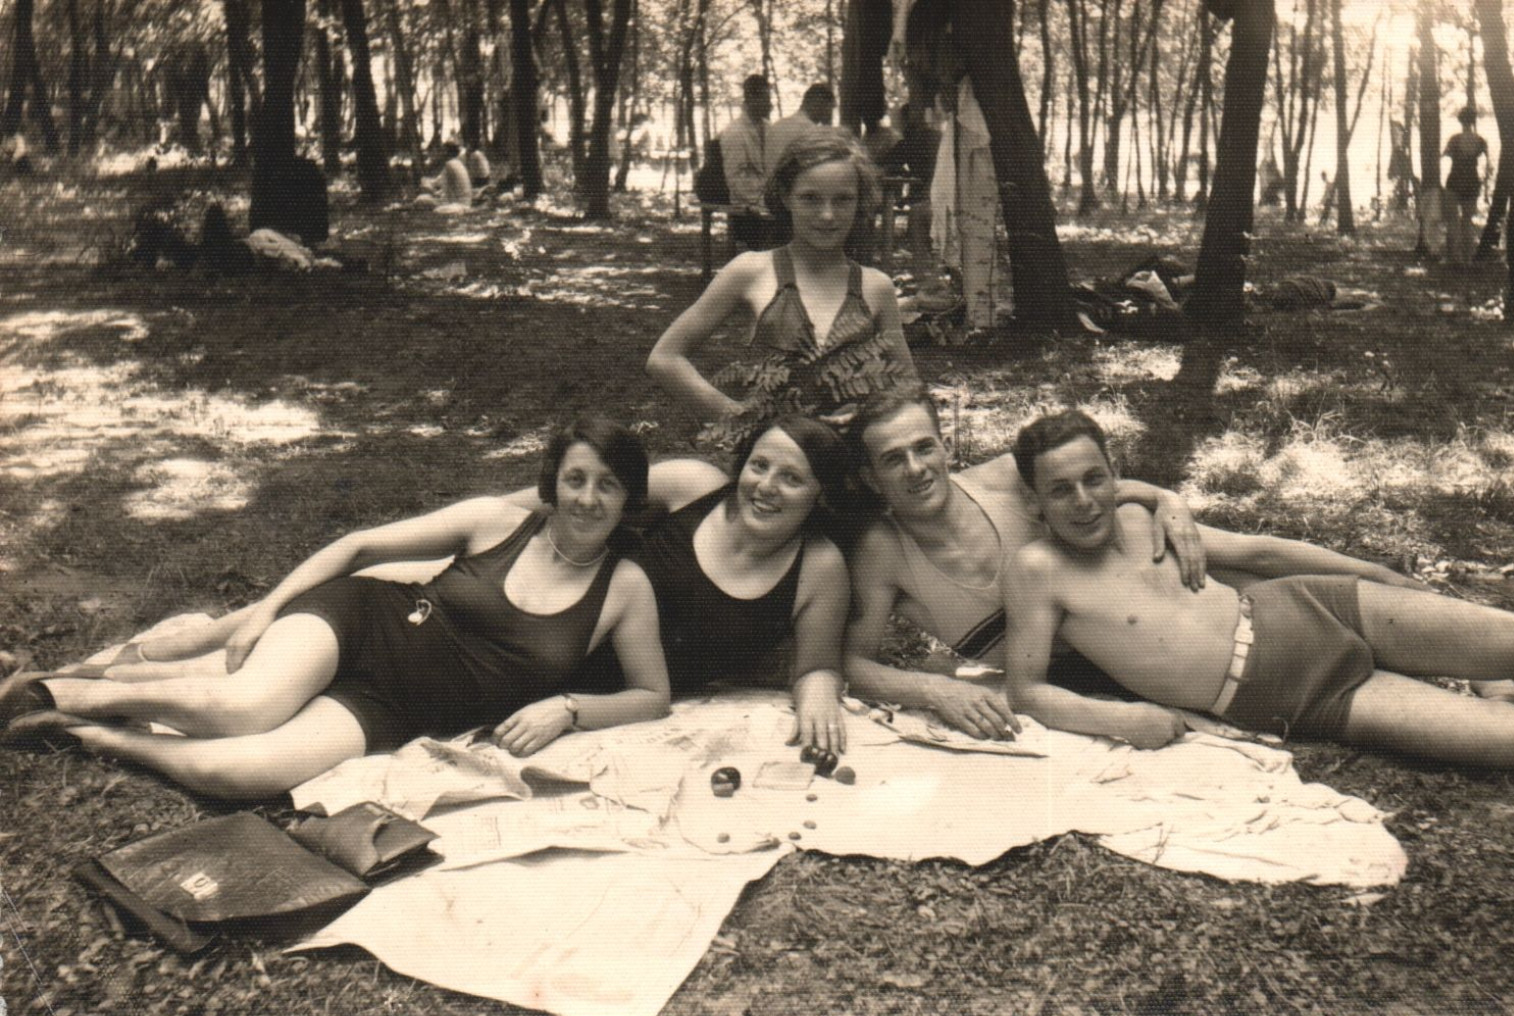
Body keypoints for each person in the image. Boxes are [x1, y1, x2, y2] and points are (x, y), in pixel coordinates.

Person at [0, 418, 670, 798]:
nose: (586, 498)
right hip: (361, 623)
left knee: (239, 772)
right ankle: (55, 688)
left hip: (396, 708)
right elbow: (358, 545)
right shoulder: (497, 522)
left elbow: (651, 694)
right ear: (552, 481)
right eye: (575, 479)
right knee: (239, 707)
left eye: (607, 486)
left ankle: (85, 731)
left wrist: (569, 707)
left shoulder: (624, 586)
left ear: (628, 499)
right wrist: (268, 611)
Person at [1002, 410, 1514, 768]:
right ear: (1035, 504)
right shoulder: (1037, 572)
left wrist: (1375, 575)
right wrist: (1121, 720)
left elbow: (1262, 552)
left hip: (1310, 607)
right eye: (1061, 490)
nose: (1084, 502)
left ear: (1115, 475)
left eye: (1095, 479)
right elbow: (1026, 691)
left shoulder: (1144, 516)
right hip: (1299, 698)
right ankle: (1487, 686)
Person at [841, 389, 1205, 742]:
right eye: (893, 459)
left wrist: (1166, 499)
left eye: (924, 448)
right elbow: (853, 664)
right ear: (872, 478)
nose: (915, 469)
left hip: (1161, 619)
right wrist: (937, 690)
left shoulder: (1004, 479)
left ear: (945, 447)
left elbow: (1097, 488)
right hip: (1073, 683)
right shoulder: (882, 551)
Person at [565, 415, 854, 753]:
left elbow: (816, 666)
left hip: (626, 708)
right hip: (544, 644)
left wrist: (819, 688)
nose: (765, 486)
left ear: (820, 495)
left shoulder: (820, 566)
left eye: (791, 478)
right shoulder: (692, 486)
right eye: (758, 465)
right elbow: (551, 502)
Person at [647, 127, 918, 444]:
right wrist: (745, 422)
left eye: (843, 199)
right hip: (771, 461)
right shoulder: (751, 270)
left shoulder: (876, 287)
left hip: (848, 458)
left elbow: (908, 387)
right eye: (810, 199)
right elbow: (664, 359)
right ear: (786, 197)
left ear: (860, 203)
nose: (827, 215)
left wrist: (868, 422)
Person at [718, 74, 774, 251]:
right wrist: (764, 201)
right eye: (765, 99)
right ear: (751, 98)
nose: (770, 104)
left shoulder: (769, 128)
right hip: (746, 208)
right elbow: (735, 180)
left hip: (768, 201)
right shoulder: (735, 132)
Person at [1442, 107, 1488, 267]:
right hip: (1472, 182)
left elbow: (1445, 156)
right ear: (1473, 121)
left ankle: (1454, 258)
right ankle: (1468, 259)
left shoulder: (1454, 139)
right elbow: (1487, 165)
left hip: (1454, 181)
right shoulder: (1481, 141)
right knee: (1467, 221)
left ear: (1460, 121)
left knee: (1453, 221)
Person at [764, 83, 838, 184]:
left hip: (771, 191)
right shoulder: (813, 133)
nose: (829, 114)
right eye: (829, 108)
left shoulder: (777, 126)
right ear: (819, 104)